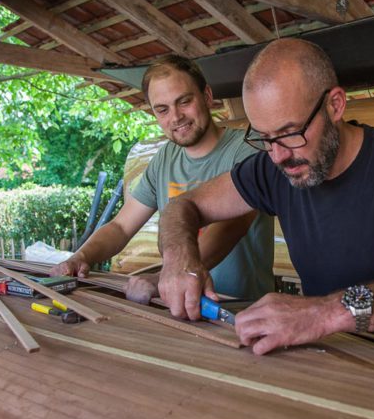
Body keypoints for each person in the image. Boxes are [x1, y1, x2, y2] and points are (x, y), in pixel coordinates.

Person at [156, 38, 374, 372]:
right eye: (264, 138)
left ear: (335, 105)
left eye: (290, 132)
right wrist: (179, 260)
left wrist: (327, 313)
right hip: (335, 370)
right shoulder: (273, 168)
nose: (278, 155)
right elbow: (184, 206)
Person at [52, 55, 274, 304]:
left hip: (240, 307)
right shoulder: (164, 159)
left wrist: (164, 278)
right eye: (163, 109)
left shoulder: (247, 150)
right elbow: (121, 227)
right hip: (180, 307)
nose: (176, 117)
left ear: (207, 96)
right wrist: (81, 257)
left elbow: (232, 226)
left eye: (185, 101)